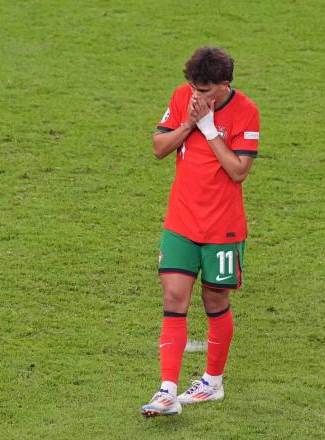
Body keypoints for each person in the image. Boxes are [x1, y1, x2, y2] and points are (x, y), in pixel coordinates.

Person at [141, 47, 260, 417]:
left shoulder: (247, 112)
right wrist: (189, 124)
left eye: (205, 90)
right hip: (181, 222)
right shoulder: (182, 98)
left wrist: (209, 131)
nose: (196, 95)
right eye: (193, 86)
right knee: (174, 297)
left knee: (215, 302)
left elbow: (238, 170)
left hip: (223, 228)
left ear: (224, 85)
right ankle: (166, 391)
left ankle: (212, 382)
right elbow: (159, 147)